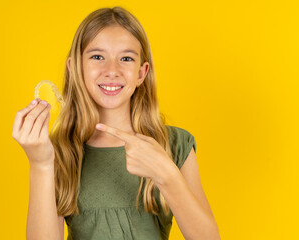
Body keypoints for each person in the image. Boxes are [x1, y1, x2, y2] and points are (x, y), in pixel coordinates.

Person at [12, 6, 221, 240]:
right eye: (98, 57)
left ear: (141, 73)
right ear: (75, 68)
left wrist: (166, 174)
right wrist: (40, 164)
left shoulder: (176, 144)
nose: (112, 71)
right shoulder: (59, 150)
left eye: (126, 58)